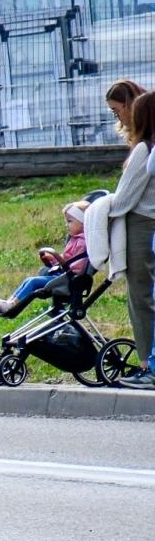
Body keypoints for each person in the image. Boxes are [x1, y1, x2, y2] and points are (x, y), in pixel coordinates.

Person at [106, 91, 155, 389]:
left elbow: (124, 199)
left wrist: (93, 209)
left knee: (140, 295)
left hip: (141, 226)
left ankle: (147, 361)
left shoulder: (143, 151)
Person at [0, 201, 91, 318]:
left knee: (33, 282)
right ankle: (9, 303)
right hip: (64, 275)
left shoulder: (82, 242)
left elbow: (75, 264)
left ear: (83, 223)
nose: (67, 225)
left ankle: (10, 305)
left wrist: (58, 259)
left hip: (68, 279)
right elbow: (70, 258)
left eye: (70, 221)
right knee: (29, 280)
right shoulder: (76, 239)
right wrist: (54, 259)